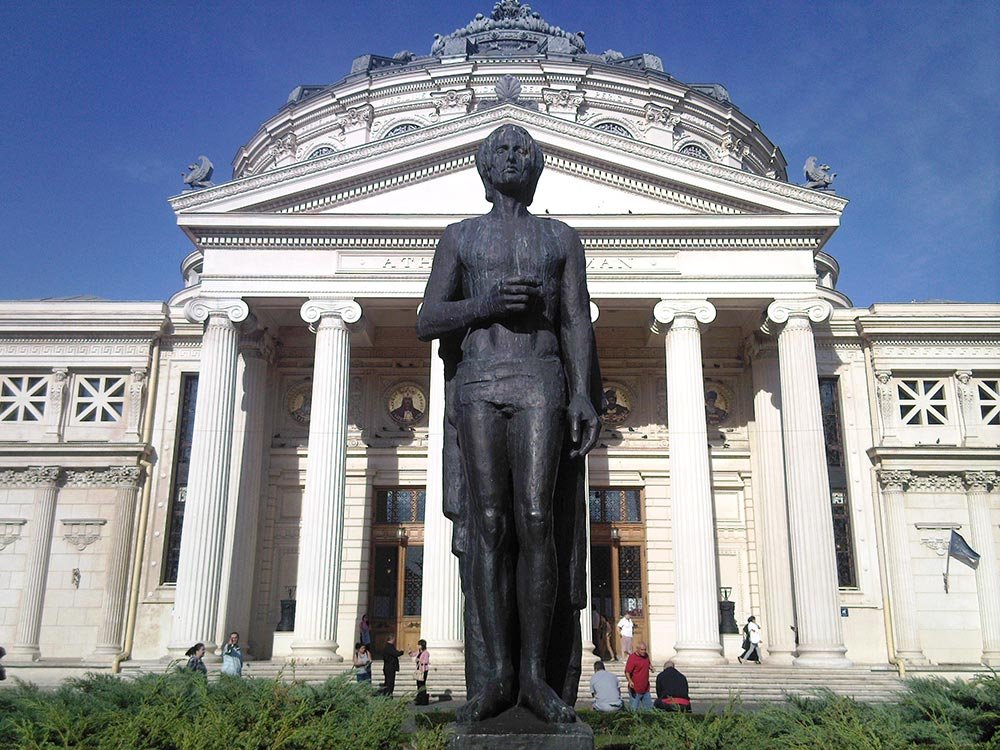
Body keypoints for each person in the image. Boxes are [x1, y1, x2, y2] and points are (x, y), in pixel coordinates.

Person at [417, 124, 601, 724]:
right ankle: (495, 677)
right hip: (479, 382)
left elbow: (576, 319)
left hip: (541, 381)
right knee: (489, 523)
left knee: (537, 518)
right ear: (484, 166)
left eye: (524, 150)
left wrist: (583, 397)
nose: (514, 157)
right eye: (503, 150)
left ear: (538, 165)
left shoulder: (560, 238)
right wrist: (487, 305)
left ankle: (535, 677)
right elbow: (428, 319)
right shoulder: (459, 238)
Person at [624, 642, 653, 711]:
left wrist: (651, 667)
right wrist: (630, 681)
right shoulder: (632, 658)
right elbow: (627, 672)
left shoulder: (646, 656)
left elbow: (648, 663)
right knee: (633, 710)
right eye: (642, 650)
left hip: (646, 689)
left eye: (645, 649)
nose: (644, 651)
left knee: (649, 711)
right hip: (635, 689)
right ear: (637, 649)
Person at [411, 639, 430, 705]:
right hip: (419, 669)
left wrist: (419, 660)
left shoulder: (426, 653)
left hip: (423, 670)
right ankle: (419, 698)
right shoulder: (419, 652)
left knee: (422, 684)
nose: (417, 646)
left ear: (422, 645)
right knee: (418, 684)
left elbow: (426, 661)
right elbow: (414, 654)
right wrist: (410, 652)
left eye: (419, 645)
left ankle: (423, 699)